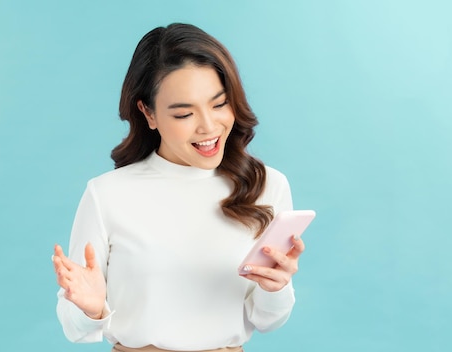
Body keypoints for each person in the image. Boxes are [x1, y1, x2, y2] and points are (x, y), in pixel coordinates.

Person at [52, 23, 305, 352]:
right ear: (148, 112)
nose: (209, 127)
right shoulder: (107, 195)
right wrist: (91, 309)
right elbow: (74, 326)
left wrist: (276, 287)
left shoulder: (266, 186)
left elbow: (269, 321)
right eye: (184, 113)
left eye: (219, 104)